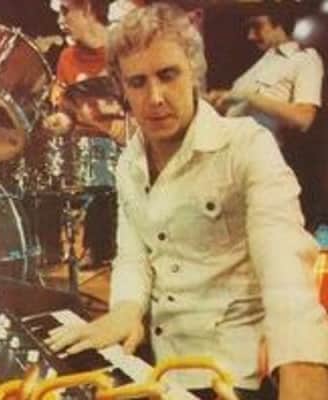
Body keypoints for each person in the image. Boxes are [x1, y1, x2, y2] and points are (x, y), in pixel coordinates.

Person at [45, 3, 328, 400]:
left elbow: (283, 263)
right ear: (122, 88)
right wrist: (125, 309)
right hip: (157, 364)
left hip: (230, 374)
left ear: (193, 72)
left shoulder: (247, 145)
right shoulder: (129, 162)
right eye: (138, 82)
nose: (155, 97)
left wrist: (302, 363)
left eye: (168, 75)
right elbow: (133, 256)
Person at [206, 4, 325, 229]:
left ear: (279, 23)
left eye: (257, 26)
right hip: (228, 165)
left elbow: (304, 118)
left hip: (263, 165)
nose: (251, 36)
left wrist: (250, 97)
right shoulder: (260, 63)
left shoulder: (304, 59)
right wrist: (220, 100)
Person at [44, 0, 125, 268]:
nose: (60, 20)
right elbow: (68, 112)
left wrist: (129, 127)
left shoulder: (123, 49)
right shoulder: (67, 58)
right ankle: (97, 246)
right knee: (93, 156)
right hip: (90, 146)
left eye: (66, 11)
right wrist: (61, 121)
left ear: (88, 8)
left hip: (129, 139)